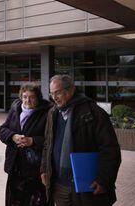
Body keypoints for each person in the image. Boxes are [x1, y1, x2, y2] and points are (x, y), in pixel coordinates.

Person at [40, 75, 121, 206]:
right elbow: (47, 144)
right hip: (60, 186)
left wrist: (104, 180)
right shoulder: (52, 113)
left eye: (58, 92)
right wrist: (44, 169)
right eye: (52, 93)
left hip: (88, 187)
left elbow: (110, 149)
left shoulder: (93, 112)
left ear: (71, 90)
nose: (54, 98)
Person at [0, 83, 52, 206]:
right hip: (16, 166)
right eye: (24, 97)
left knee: (35, 200)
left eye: (32, 97)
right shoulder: (15, 109)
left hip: (35, 168)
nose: (27, 100)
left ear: (38, 97)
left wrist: (32, 141)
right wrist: (13, 137)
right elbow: (3, 129)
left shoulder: (47, 112)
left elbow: (51, 139)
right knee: (15, 200)